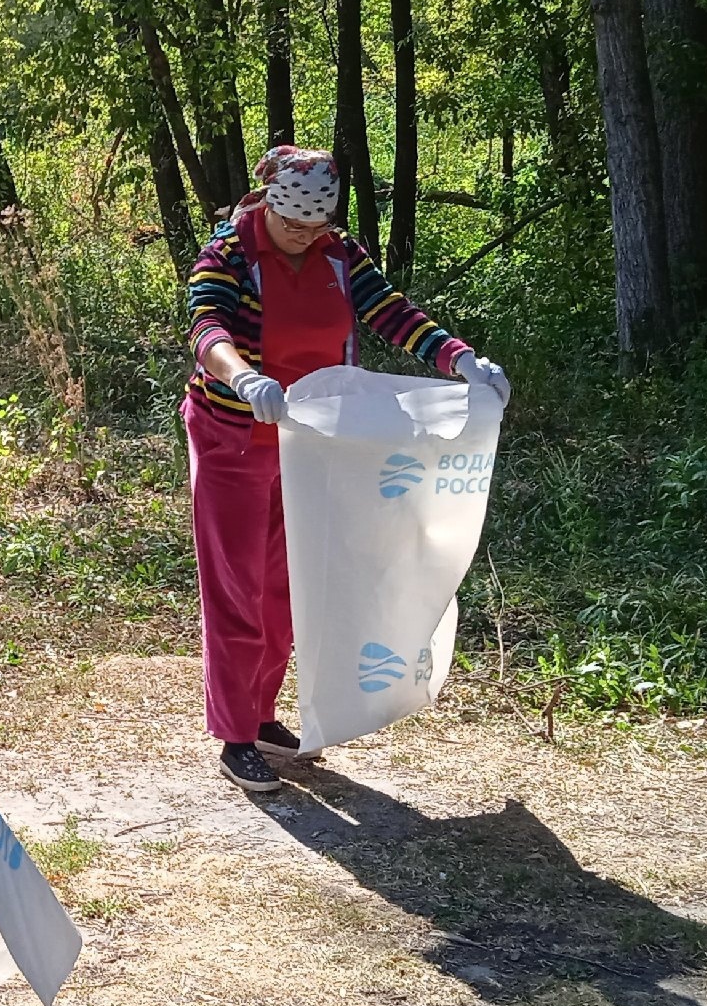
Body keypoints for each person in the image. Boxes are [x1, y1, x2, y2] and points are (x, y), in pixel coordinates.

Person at [186, 146, 511, 794]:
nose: (308, 238)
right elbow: (206, 330)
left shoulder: (340, 252)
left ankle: (261, 714)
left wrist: (460, 358)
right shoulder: (229, 254)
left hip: (313, 443)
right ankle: (232, 736)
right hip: (235, 435)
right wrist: (246, 379)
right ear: (270, 206)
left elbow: (390, 310)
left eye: (318, 227)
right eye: (295, 227)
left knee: (288, 585)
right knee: (236, 588)